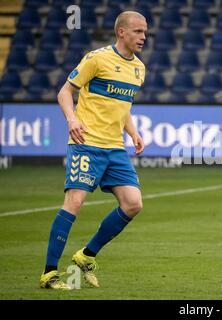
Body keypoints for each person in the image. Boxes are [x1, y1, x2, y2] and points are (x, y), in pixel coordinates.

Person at [39, 11, 147, 290]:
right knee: (74, 203)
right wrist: (72, 119)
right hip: (87, 144)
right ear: (121, 32)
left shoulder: (139, 68)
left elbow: (123, 107)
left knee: (133, 203)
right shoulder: (96, 58)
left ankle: (86, 255)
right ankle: (49, 273)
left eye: (145, 32)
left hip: (114, 148)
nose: (143, 37)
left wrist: (133, 132)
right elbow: (65, 92)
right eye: (137, 31)